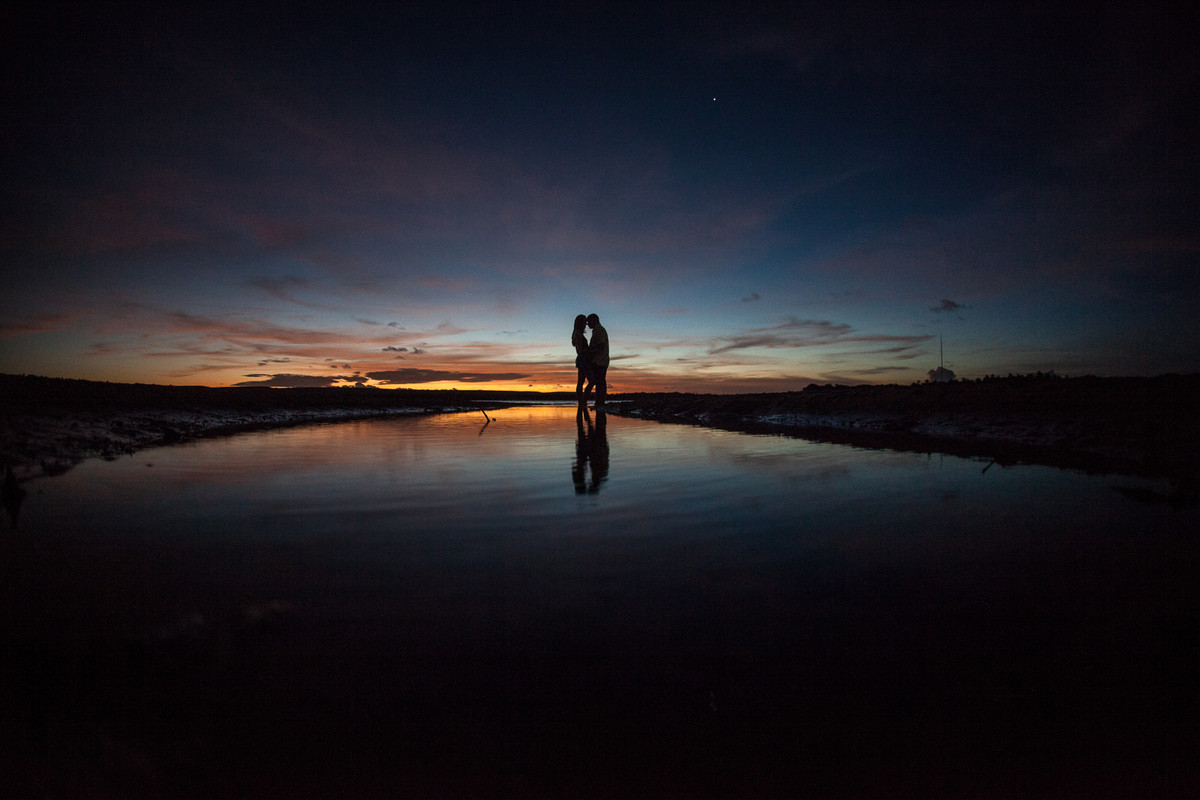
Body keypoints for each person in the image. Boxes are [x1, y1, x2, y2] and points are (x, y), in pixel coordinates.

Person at [585, 313, 609, 408]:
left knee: (600, 382)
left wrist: (590, 353)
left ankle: (600, 402)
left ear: (594, 321)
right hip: (599, 360)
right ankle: (599, 402)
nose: (587, 325)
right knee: (600, 382)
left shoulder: (599, 330)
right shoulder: (597, 331)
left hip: (600, 360)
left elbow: (601, 346)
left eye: (588, 322)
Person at [572, 314, 594, 403]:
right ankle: (583, 401)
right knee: (591, 381)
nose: (586, 325)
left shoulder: (578, 333)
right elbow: (581, 349)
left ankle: (581, 402)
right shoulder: (578, 334)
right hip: (583, 359)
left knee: (581, 382)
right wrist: (590, 351)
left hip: (582, 359)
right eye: (585, 322)